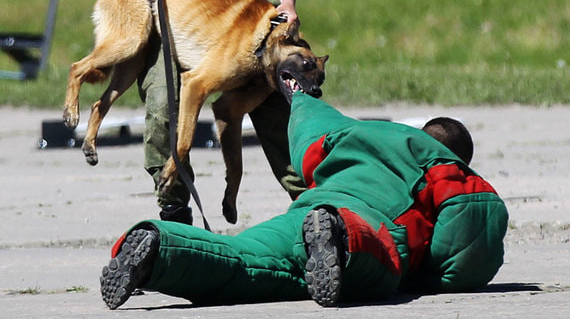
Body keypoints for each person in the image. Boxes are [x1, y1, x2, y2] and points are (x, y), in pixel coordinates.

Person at [100, 91, 509, 309]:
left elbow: (311, 125)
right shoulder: (446, 166)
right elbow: (471, 238)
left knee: (242, 261)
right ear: (458, 154)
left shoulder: (358, 132)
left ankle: (159, 247)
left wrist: (299, 89)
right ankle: (336, 233)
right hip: (367, 224)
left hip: (304, 210)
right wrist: (427, 277)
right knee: (374, 260)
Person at [119, 0, 307, 225]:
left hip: (247, 7)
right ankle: (176, 219)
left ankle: (320, 213)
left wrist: (287, 1)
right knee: (163, 107)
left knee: (287, 122)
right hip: (178, 0)